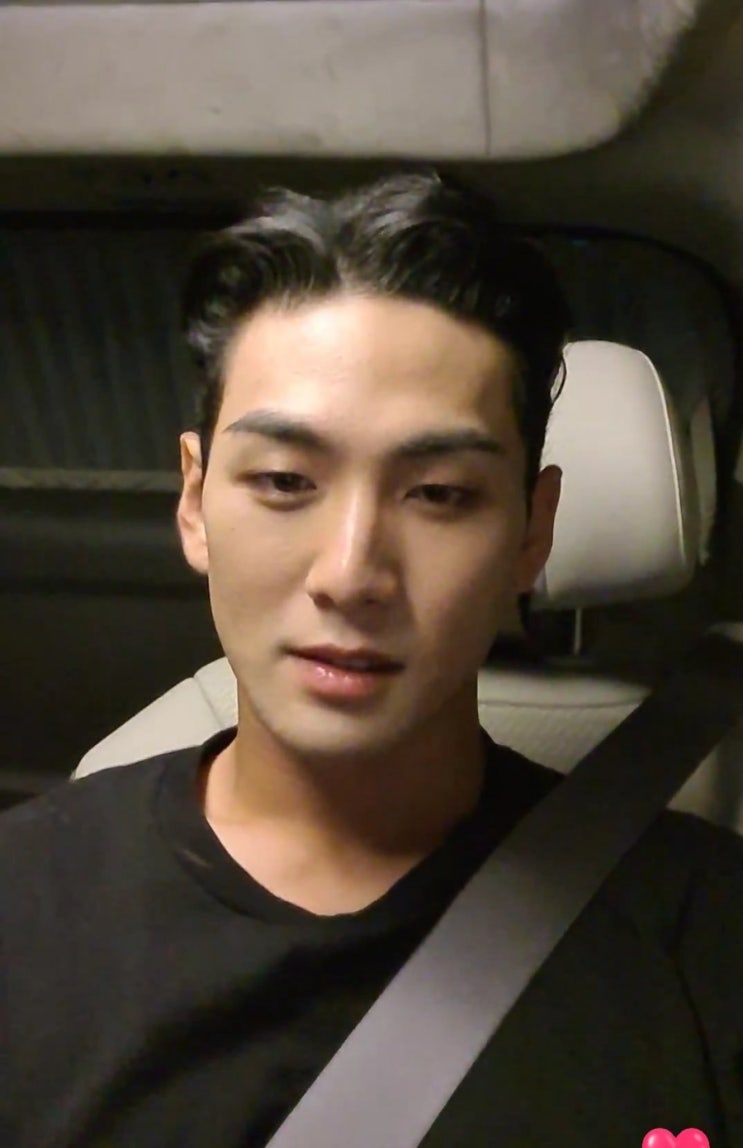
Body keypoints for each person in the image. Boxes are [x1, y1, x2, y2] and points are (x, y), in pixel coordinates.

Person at [1, 171, 742, 1148]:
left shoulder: (704, 928)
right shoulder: (23, 907)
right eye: (282, 480)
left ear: (532, 530)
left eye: (438, 494)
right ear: (194, 500)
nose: (350, 574)